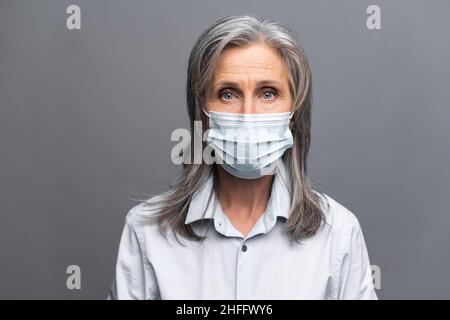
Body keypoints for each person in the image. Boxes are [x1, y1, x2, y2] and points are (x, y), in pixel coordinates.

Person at [108, 14, 378, 300]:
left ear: (294, 112)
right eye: (227, 94)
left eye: (268, 93)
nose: (247, 115)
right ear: (202, 111)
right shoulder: (146, 231)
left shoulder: (338, 234)